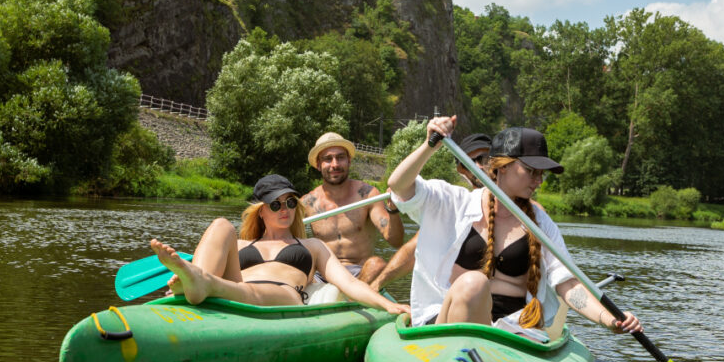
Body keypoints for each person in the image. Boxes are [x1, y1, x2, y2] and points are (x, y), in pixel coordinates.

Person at [387, 116, 643, 338]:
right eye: (532, 171)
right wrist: (430, 144)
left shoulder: (541, 225)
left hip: (512, 330)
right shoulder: (452, 202)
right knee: (474, 284)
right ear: (502, 166)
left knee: (481, 289)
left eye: (542, 173)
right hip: (447, 324)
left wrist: (608, 318)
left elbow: (568, 285)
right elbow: (399, 185)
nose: (539, 180)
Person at [149, 174, 405, 316]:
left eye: (290, 203)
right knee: (220, 224)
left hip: (282, 294)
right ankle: (195, 283)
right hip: (236, 287)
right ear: (261, 211)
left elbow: (348, 283)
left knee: (251, 291)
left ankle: (201, 283)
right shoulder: (239, 243)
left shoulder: (312, 245)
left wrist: (387, 305)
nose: (284, 209)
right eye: (275, 204)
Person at [370, 131, 493, 292]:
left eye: (486, 159)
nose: (479, 166)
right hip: (465, 302)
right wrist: (376, 285)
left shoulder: (528, 208)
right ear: (462, 169)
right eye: (471, 162)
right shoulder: (455, 203)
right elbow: (399, 186)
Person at [300, 132, 405, 283]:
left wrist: (393, 210)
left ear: (349, 160)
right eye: (328, 159)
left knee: (378, 265)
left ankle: (351, 298)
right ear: (318, 165)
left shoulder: (368, 195)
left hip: (360, 274)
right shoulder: (307, 202)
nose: (335, 164)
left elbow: (396, 241)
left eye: (340, 157)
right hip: (323, 275)